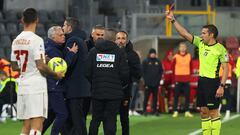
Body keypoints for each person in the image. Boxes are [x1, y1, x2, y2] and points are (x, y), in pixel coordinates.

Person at [166, 11, 229, 135]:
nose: (201, 35)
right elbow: (184, 33)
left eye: (204, 33)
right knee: (203, 111)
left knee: (213, 112)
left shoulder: (220, 49)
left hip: (213, 82)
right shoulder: (200, 43)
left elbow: (226, 68)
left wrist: (221, 86)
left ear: (211, 35)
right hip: (202, 81)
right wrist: (173, 20)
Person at [10, 8, 63, 135]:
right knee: (37, 124)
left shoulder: (16, 40)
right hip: (36, 86)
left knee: (26, 126)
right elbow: (40, 66)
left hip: (23, 85)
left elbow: (14, 66)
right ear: (37, 20)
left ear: (22, 20)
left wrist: (29, 64)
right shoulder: (36, 40)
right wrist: (56, 74)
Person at [86, 28, 129, 135]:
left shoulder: (93, 51)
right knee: (110, 119)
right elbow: (125, 74)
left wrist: (95, 82)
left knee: (95, 119)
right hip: (114, 94)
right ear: (114, 39)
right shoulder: (119, 53)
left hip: (97, 91)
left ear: (104, 37)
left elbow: (86, 72)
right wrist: (119, 84)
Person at [42, 26, 78, 135]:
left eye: (64, 34)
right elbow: (62, 69)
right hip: (55, 86)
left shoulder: (50, 47)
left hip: (51, 86)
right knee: (62, 114)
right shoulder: (52, 50)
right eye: (61, 35)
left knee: (52, 114)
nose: (64, 37)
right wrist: (71, 53)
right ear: (53, 37)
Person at [61, 17, 90, 135]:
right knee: (76, 119)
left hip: (74, 88)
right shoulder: (80, 40)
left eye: (64, 26)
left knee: (77, 120)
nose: (62, 28)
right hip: (79, 88)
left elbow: (68, 64)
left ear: (69, 27)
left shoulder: (72, 41)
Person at [115, 31, 142, 135]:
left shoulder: (133, 55)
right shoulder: (111, 53)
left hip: (125, 90)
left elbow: (138, 73)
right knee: (110, 117)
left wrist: (128, 73)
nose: (121, 41)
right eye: (119, 38)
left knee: (124, 118)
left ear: (126, 40)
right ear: (115, 40)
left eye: (123, 38)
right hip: (111, 90)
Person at [172, 42, 193, 118]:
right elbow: (172, 68)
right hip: (178, 79)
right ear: (179, 48)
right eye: (181, 47)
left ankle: (187, 111)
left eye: (184, 47)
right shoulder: (176, 56)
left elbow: (191, 67)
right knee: (176, 96)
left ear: (186, 48)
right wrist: (174, 80)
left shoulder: (189, 56)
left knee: (187, 96)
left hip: (186, 79)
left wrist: (189, 76)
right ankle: (175, 111)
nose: (183, 48)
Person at [142, 48, 163, 116]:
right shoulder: (145, 61)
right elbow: (143, 72)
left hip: (156, 83)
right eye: (152, 53)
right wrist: (146, 81)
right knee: (146, 97)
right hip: (148, 83)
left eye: (154, 53)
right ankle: (144, 110)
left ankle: (155, 110)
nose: (153, 54)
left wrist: (158, 80)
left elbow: (161, 71)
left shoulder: (158, 61)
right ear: (149, 54)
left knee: (155, 98)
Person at [219, 54, 235, 120]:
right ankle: (218, 111)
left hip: (226, 79)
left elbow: (233, 65)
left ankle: (227, 112)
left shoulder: (227, 55)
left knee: (226, 96)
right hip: (218, 78)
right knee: (219, 96)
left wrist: (236, 72)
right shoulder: (216, 55)